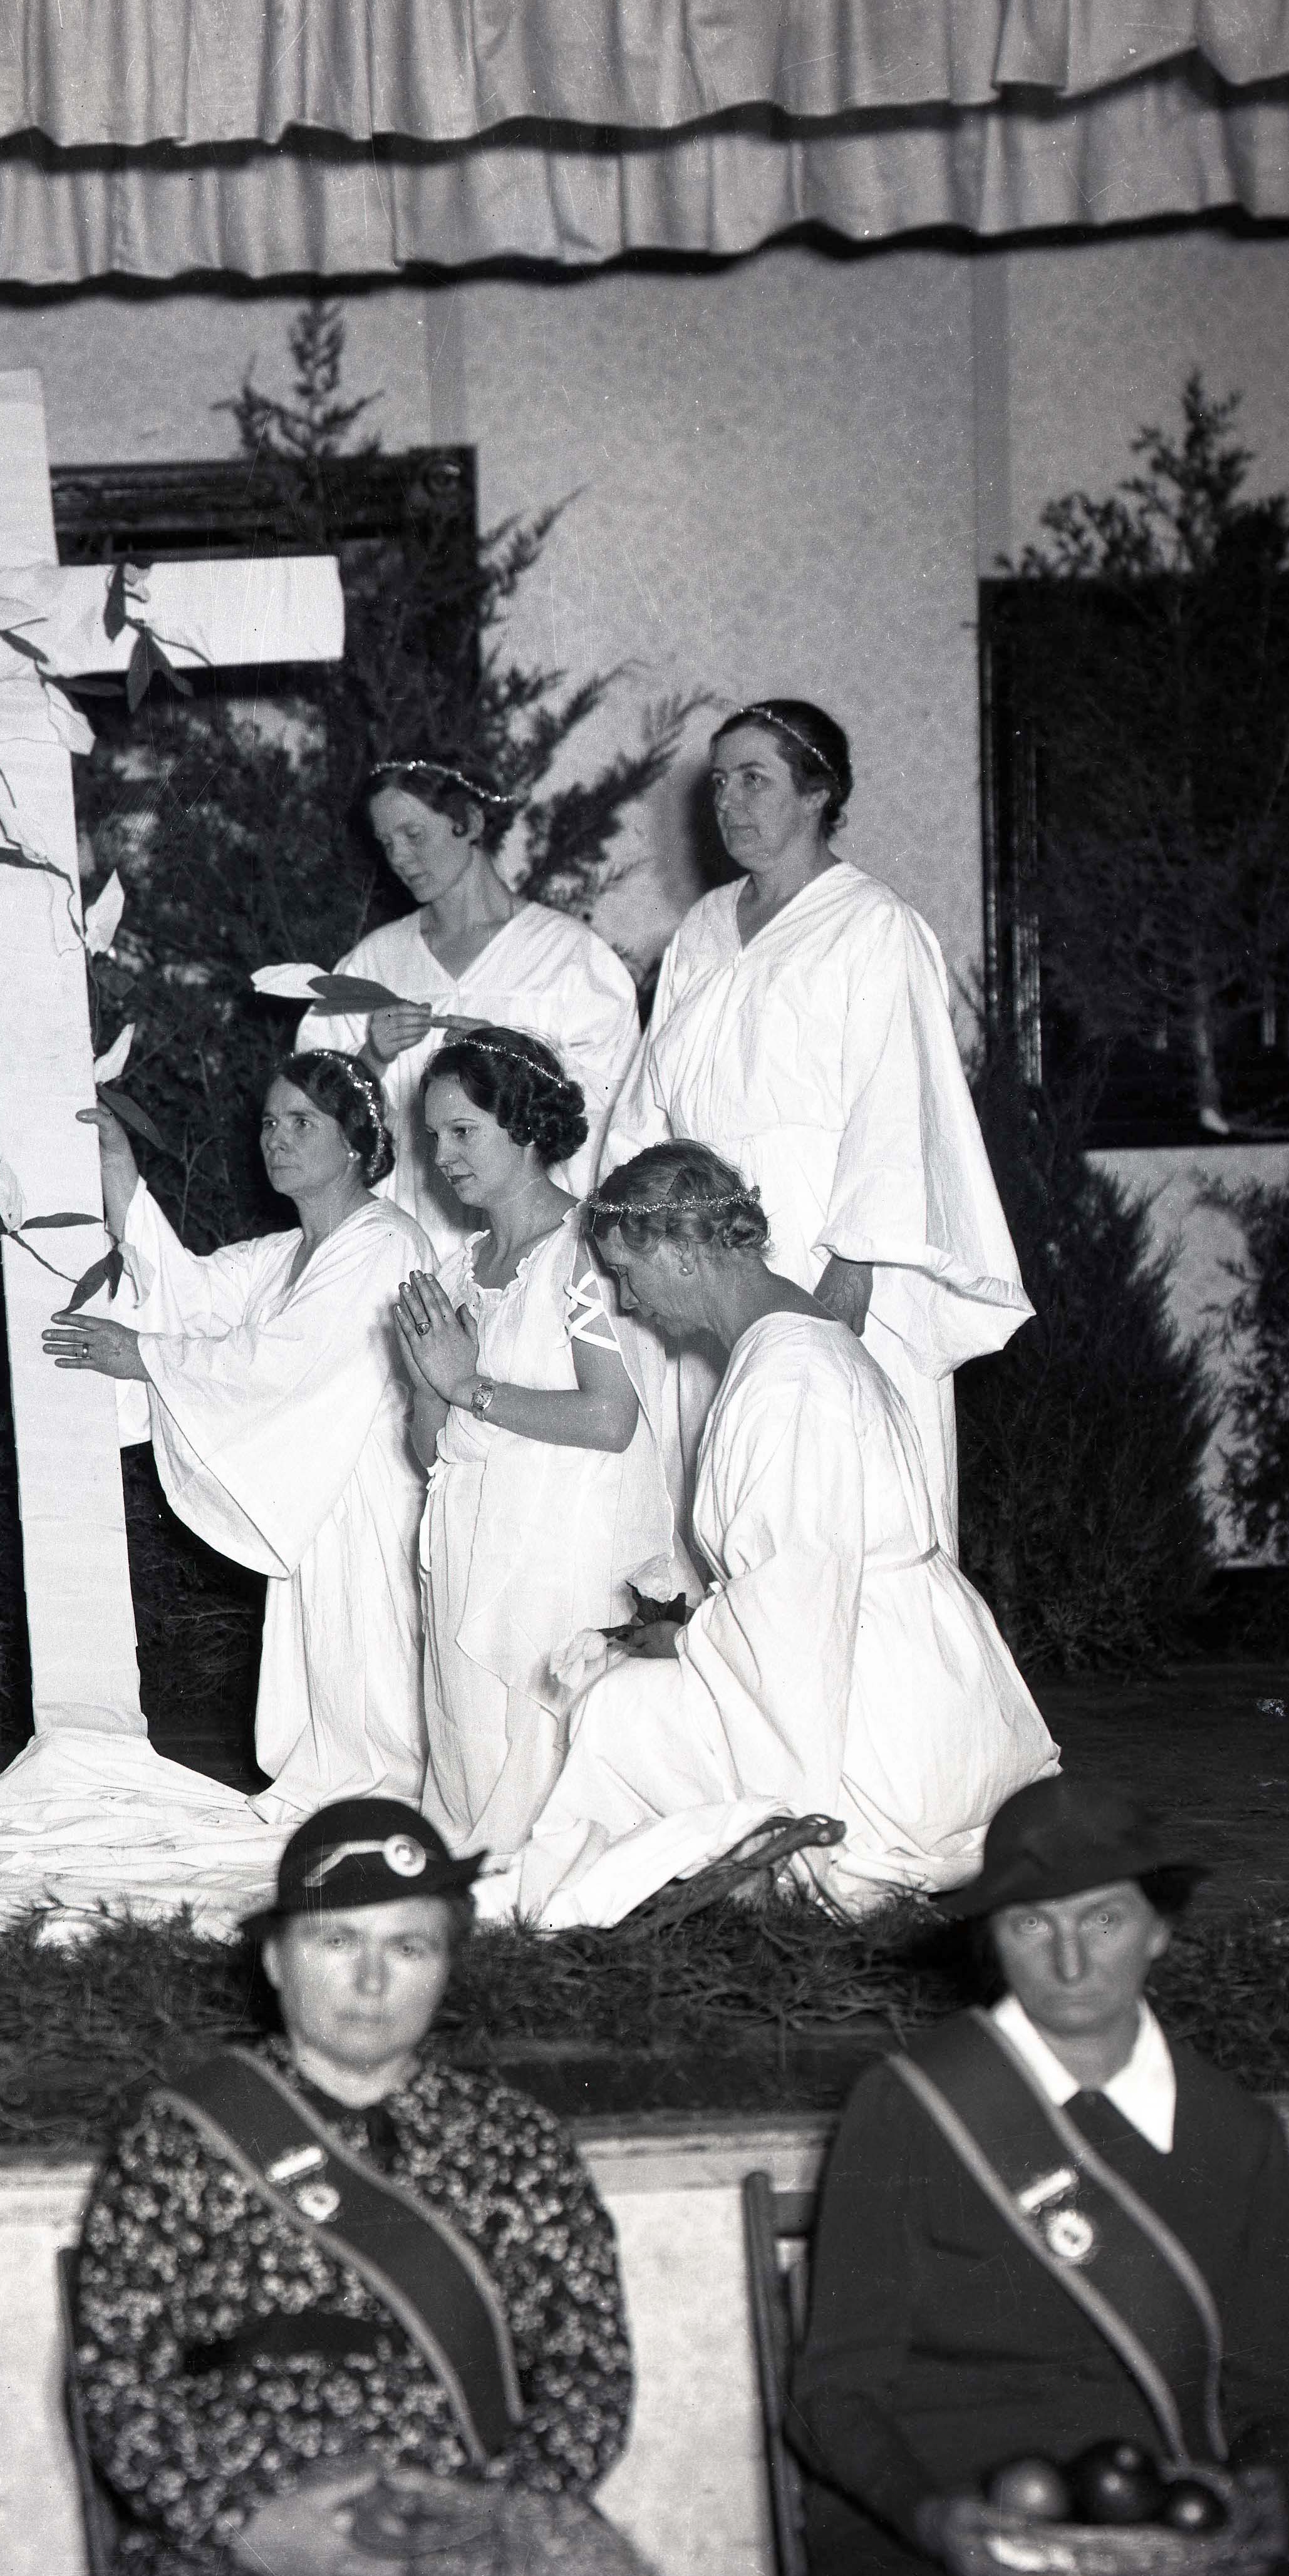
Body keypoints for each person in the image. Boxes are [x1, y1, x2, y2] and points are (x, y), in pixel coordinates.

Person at [790, 1778, 1289, 2576]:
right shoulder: (908, 2107)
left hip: (1170, 2528)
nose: (1070, 1959)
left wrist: (1266, 2494)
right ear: (991, 1939)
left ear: (1160, 1928)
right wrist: (932, 2517)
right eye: (1031, 1923)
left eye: (1104, 1918)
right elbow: (834, 2393)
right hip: (937, 2525)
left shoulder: (1235, 2133)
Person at [71, 1798, 656, 2576]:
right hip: (235, 2548)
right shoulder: (179, 2140)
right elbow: (118, 2385)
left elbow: (591, 2377)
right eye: (337, 1940)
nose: (371, 1979)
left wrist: (486, 2514)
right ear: (274, 1958)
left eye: (408, 1946)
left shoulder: (519, 2145)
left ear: (447, 1963)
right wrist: (246, 2522)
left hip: (476, 2535)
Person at [510, 1144, 1054, 1929]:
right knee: (622, 1695)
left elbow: (794, 1612)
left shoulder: (788, 1376)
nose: (626, 1301)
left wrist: (681, 1643)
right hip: (896, 1663)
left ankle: (603, 1910)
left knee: (613, 1708)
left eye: (627, 1273)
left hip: (872, 1715)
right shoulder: (793, 1338)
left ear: (682, 1253)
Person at [604, 701, 1025, 1550]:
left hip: (825, 1243)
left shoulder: (873, 924)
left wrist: (853, 1268)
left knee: (842, 1501)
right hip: (698, 1257)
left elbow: (898, 1105)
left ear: (817, 792)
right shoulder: (700, 931)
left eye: (754, 779)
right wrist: (632, 1241)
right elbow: (646, 1110)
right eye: (720, 783)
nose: (730, 802)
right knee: (724, 1502)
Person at [43, 1053, 432, 1814]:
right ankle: (336, 1800)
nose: (276, 1139)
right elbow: (186, 1293)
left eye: (302, 1123)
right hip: (314, 1489)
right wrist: (118, 1167)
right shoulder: (284, 1253)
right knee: (328, 1673)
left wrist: (145, 1355)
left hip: (368, 1489)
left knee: (373, 1663)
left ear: (356, 1142)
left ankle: (386, 1804)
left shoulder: (384, 1239)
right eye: (269, 1122)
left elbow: (286, 1362)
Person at [382, 1028, 673, 1865]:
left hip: (566, 1536)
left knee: (550, 1752)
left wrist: (467, 1382)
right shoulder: (454, 1270)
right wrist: (428, 1388)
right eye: (433, 1136)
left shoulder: (589, 1253)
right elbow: (430, 1451)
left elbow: (610, 1418)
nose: (442, 1156)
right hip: (468, 1532)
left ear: (525, 1124)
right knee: (470, 1752)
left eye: (463, 1131)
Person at [294, 758, 644, 1265]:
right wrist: (370, 1059)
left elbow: (620, 1105)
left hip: (537, 1248)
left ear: (471, 821)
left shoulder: (567, 955)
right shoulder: (375, 961)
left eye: (414, 834)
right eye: (386, 842)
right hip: (408, 1249)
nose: (400, 857)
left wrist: (516, 1062)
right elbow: (308, 1109)